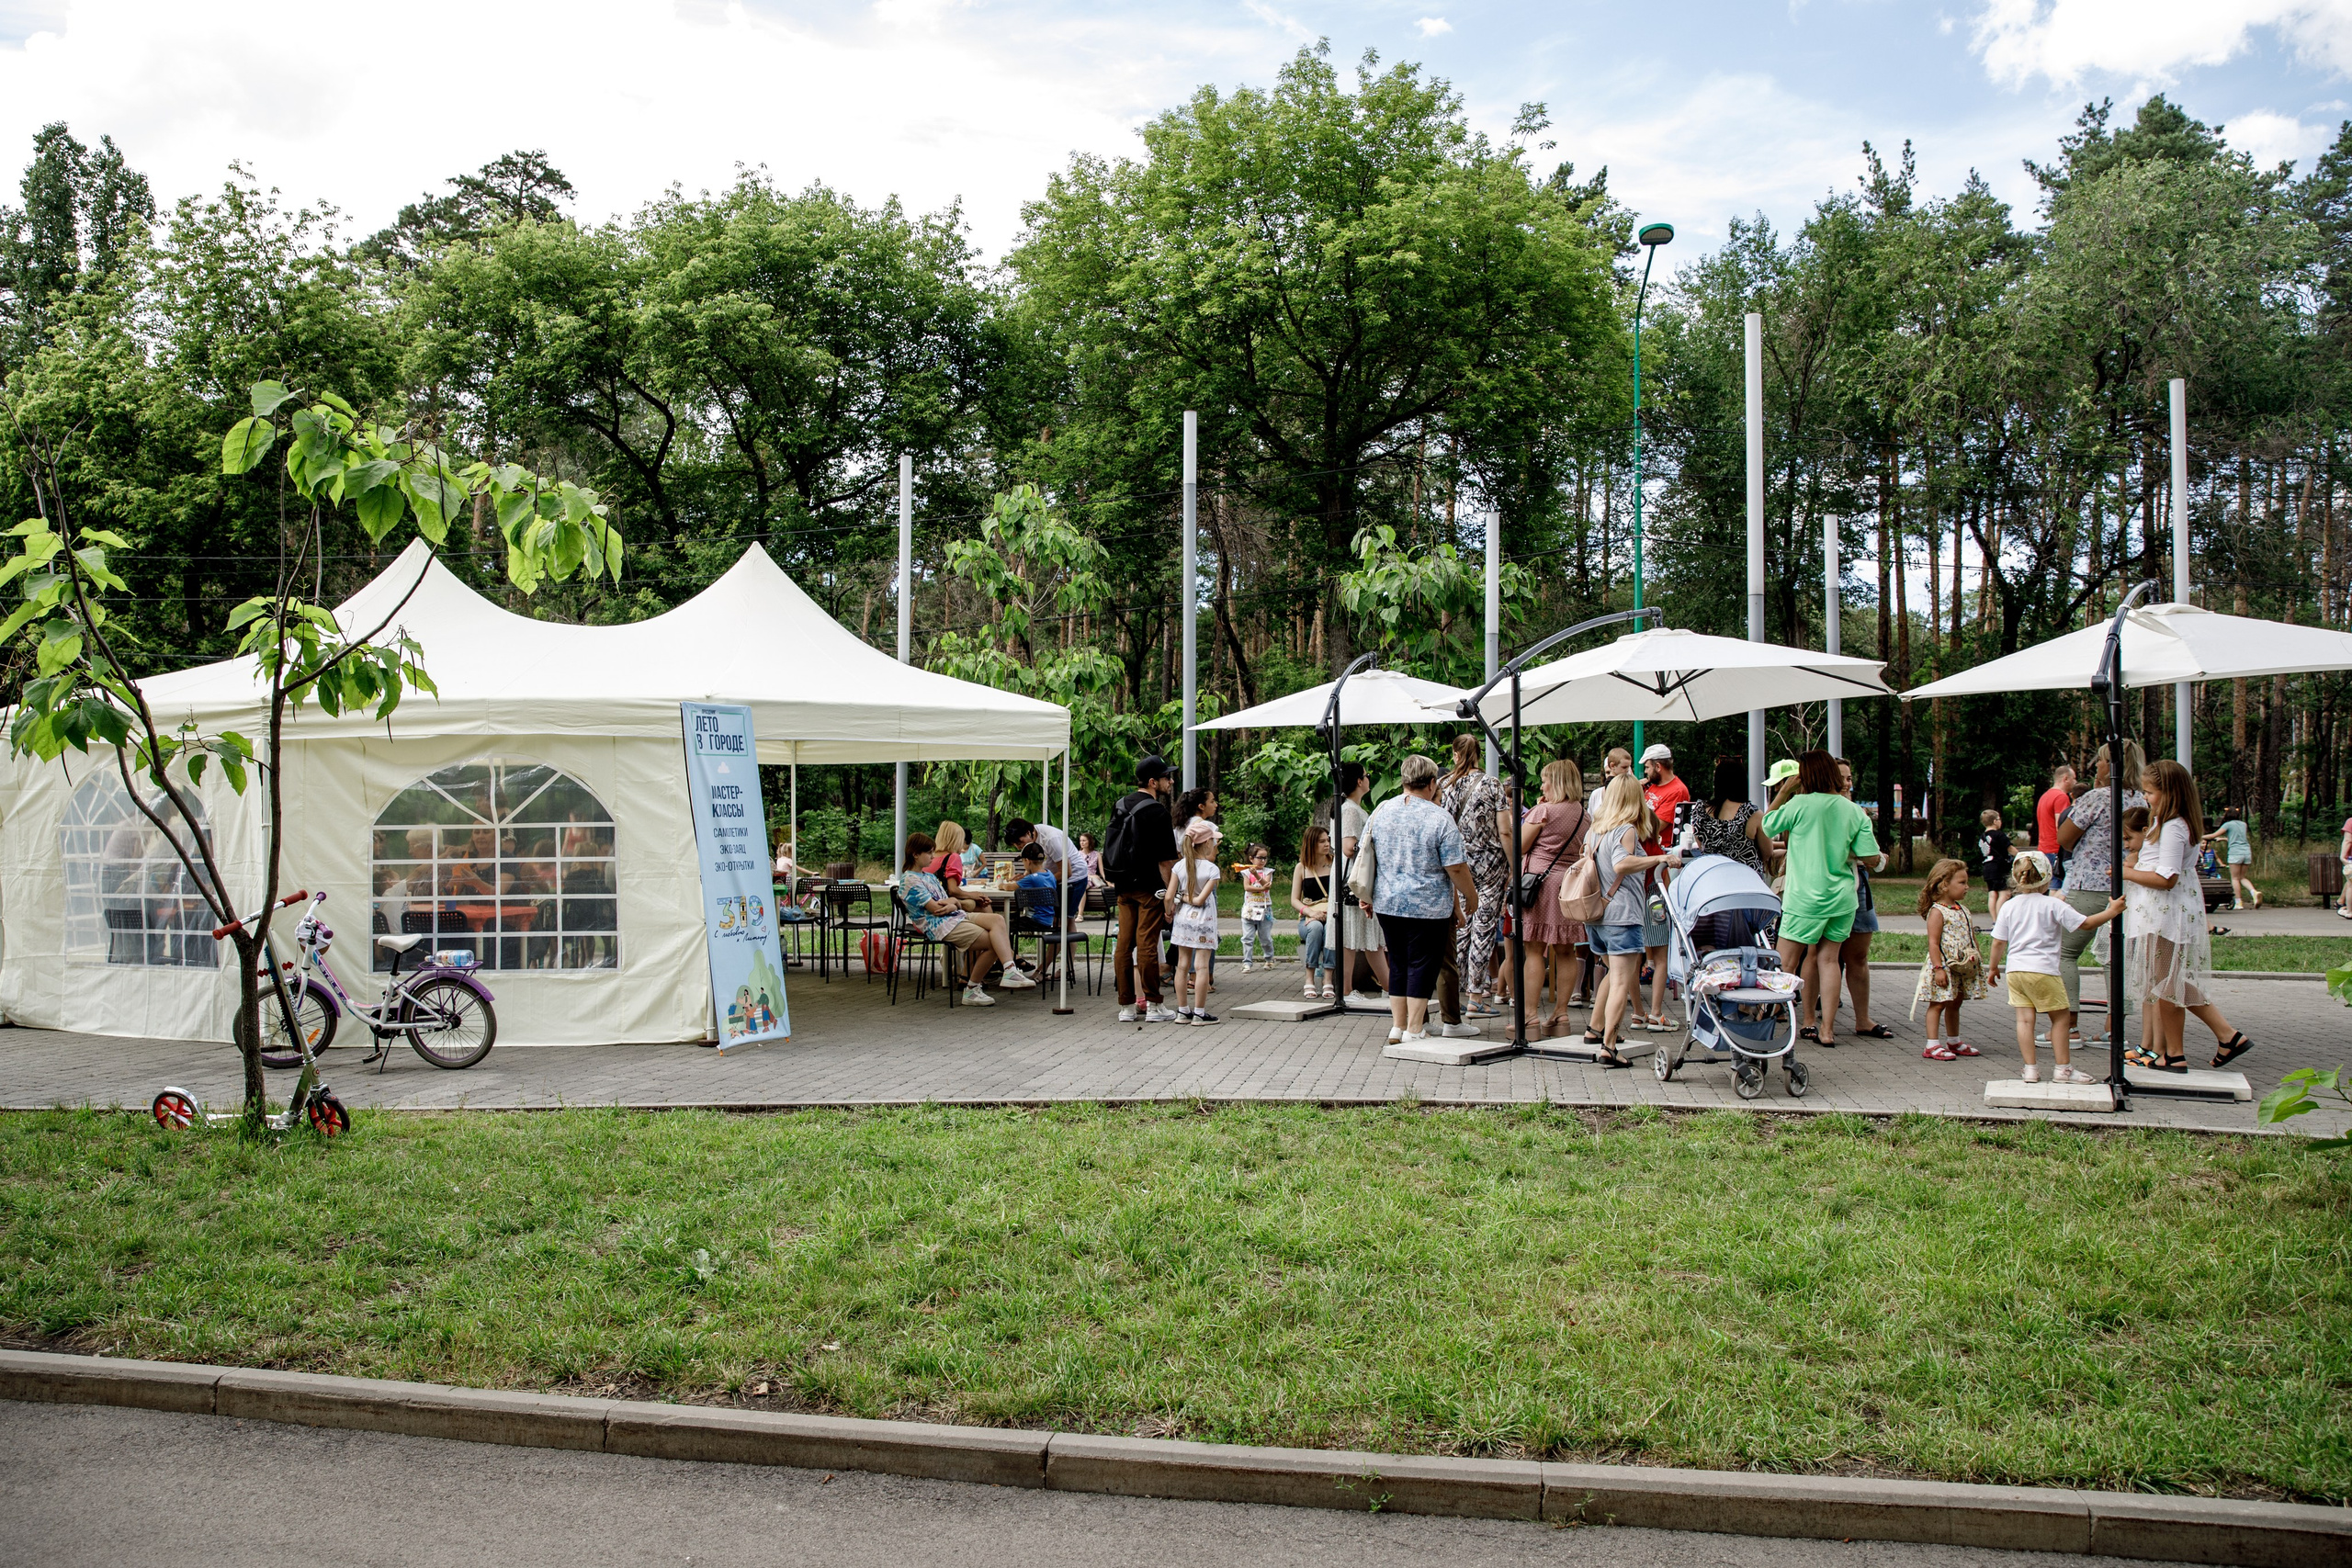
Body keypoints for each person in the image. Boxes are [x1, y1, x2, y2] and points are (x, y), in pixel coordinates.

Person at [2123, 761, 2254, 1073]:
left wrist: (2128, 872)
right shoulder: (2166, 824)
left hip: (2165, 914)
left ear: (2170, 793)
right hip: (2159, 912)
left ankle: (2194, 1046)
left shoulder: (2174, 827)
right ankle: (2196, 1045)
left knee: (2167, 984)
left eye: (2150, 792)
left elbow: (2167, 878)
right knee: (2165, 982)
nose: (2146, 798)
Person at [1761, 750, 1879, 1052]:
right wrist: (1881, 861)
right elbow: (1869, 856)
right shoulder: (1853, 810)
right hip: (1842, 899)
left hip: (1804, 899)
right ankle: (1827, 1030)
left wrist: (1785, 790)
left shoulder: (1800, 804)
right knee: (1829, 961)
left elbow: (1767, 826)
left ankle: (1769, 1020)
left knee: (1785, 961)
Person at [1360, 753, 1478, 1048]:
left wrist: (1367, 894)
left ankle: (1397, 1028)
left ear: (1404, 779)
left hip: (1387, 903)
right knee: (1423, 966)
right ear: (1432, 782)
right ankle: (1415, 1027)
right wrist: (1470, 895)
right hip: (1428, 907)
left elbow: (1365, 852)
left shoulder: (1381, 810)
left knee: (1398, 964)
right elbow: (1455, 866)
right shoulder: (1439, 817)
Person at [1989, 851, 2122, 1084]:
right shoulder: (2053, 904)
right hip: (2044, 971)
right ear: (2048, 878)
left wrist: (1992, 968)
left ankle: (2030, 1069)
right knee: (2061, 1019)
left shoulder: (2009, 906)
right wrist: (2111, 911)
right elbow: (2086, 923)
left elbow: (1999, 941)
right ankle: (2063, 1069)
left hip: (2016, 971)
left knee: (2024, 1021)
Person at [1582, 773, 1679, 1064]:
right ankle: (1609, 1047)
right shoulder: (1625, 830)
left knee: (1613, 974)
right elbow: (1622, 863)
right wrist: (1659, 859)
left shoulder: (1594, 830)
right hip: (1622, 915)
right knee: (1623, 980)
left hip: (1597, 915)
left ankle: (1595, 1029)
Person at [2055, 740, 2145, 1046]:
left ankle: (2069, 1027)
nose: (2096, 766)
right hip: (2127, 887)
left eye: (2101, 761)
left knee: (2064, 951)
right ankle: (2113, 1031)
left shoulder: (2096, 798)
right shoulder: (2143, 801)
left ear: (2114, 764)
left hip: (2089, 885)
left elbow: (2065, 839)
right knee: (2115, 958)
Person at [1811, 757, 1894, 1042]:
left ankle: (1862, 1018)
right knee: (1821, 955)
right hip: (1823, 888)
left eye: (1849, 778)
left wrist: (1875, 859)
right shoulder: (1815, 808)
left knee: (1857, 955)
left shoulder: (1857, 812)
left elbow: (1869, 854)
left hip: (1857, 884)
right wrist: (1875, 859)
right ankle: (1814, 1019)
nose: (1847, 783)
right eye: (1842, 777)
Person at [899, 832, 1031, 1005]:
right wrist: (954, 902)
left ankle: (1010, 970)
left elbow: (948, 902)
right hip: (940, 924)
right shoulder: (909, 879)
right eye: (929, 853)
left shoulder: (928, 877)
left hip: (955, 917)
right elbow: (937, 909)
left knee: (997, 920)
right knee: (994, 942)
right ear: (915, 854)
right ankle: (972, 989)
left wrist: (954, 903)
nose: (933, 856)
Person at [1515, 758, 1589, 1039]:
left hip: (1539, 886)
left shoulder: (1543, 810)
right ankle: (1561, 1015)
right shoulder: (1583, 813)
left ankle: (1530, 1018)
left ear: (1556, 782)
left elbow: (1519, 846)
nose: (1542, 784)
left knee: (1534, 950)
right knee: (1566, 950)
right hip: (1568, 886)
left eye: (1546, 779)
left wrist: (1535, 811)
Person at [1103, 755, 1180, 1023]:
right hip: (1149, 889)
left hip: (1123, 886)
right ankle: (1154, 1005)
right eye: (1166, 777)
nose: (1170, 781)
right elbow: (1166, 862)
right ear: (1152, 781)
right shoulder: (1158, 812)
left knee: (1124, 945)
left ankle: (1126, 1007)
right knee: (1147, 946)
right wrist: (1171, 897)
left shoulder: (1120, 804)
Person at [1439, 734, 1511, 1014]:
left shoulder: (1444, 785)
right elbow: (1504, 830)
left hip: (1458, 864)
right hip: (1490, 864)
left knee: (1462, 925)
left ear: (1456, 755)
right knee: (1484, 927)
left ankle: (1454, 994)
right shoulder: (1492, 785)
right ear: (1479, 754)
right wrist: (1512, 864)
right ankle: (1476, 996)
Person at [1635, 742, 1690, 1033]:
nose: (1644, 773)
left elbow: (1655, 827)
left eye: (1646, 767)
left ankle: (1654, 1012)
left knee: (1659, 950)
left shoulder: (1677, 791)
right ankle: (1642, 1012)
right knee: (1639, 951)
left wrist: (1636, 803)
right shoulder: (1650, 789)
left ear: (1658, 766)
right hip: (1641, 874)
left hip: (1657, 873)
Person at [1912, 857, 1986, 1060]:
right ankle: (1932, 1044)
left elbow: (1971, 936)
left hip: (1961, 967)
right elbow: (1933, 943)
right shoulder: (1938, 911)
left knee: (1956, 1001)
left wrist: (1977, 958)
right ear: (1944, 885)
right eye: (1962, 883)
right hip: (1944, 966)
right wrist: (1938, 968)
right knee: (1938, 1003)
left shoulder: (1962, 909)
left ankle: (1954, 1040)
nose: (1967, 887)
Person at [1329, 761, 1390, 997]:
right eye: (1367, 775)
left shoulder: (1349, 807)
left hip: (1352, 877)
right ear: (1358, 781)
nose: (1369, 778)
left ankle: (1388, 987)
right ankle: (1346, 990)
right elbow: (1348, 847)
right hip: (1353, 879)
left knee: (1366, 934)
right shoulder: (1350, 810)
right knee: (1353, 934)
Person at [1166, 818, 1222, 1024]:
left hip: (1182, 921)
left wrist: (1170, 911)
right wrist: (1190, 897)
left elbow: (1168, 896)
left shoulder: (1179, 866)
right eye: (1213, 841)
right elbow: (1200, 900)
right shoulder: (1211, 869)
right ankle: (1199, 1013)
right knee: (1201, 967)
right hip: (1204, 923)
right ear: (1206, 843)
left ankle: (1182, 1011)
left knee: (1181, 965)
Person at [1005, 817, 1086, 924]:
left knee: (1061, 920)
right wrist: (1025, 877)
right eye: (1015, 845)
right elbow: (1034, 866)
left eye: (1020, 843)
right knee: (1065, 920)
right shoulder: (1032, 840)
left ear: (1029, 833)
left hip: (1074, 878)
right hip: (1059, 875)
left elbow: (1066, 872)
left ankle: (1055, 941)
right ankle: (1068, 941)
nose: (1019, 847)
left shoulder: (1051, 839)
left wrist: (1038, 881)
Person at [1291, 823, 1338, 998]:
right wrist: (1310, 913)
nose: (1327, 845)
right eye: (1321, 841)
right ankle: (1309, 978)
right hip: (1309, 919)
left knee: (1331, 928)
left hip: (1332, 915)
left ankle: (1327, 979)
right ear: (1311, 844)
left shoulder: (1334, 864)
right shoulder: (1301, 867)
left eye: (1328, 840)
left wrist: (1328, 913)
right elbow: (1294, 899)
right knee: (1316, 928)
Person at [2203, 807, 2260, 910]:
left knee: (2235, 878)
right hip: (2246, 851)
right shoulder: (2243, 824)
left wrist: (2202, 837)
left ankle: (2238, 902)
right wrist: (2224, 839)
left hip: (2235, 852)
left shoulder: (2227, 824)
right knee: (2242, 877)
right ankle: (2254, 892)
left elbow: (2213, 835)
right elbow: (2237, 837)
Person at [2036, 764, 2076, 888]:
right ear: (2065, 779)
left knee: (2049, 887)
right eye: (2074, 778)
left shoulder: (2045, 796)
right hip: (2056, 850)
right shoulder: (2061, 797)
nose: (2076, 782)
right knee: (2058, 889)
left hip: (2044, 848)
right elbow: (2062, 826)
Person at [1238, 843, 1275, 970]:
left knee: (1265, 938)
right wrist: (1260, 888)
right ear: (1251, 858)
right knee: (1247, 938)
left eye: (1265, 858)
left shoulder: (1268, 871)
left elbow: (1267, 885)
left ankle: (1269, 958)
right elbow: (1247, 887)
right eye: (1260, 858)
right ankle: (1247, 962)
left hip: (1265, 909)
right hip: (1249, 908)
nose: (1263, 861)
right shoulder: (1246, 872)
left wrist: (1258, 876)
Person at [1979, 808, 2013, 919]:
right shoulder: (1999, 835)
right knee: (2005, 893)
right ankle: (2000, 920)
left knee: (1992, 894)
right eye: (1999, 819)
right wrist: (2022, 856)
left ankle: (1994, 920)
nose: (2000, 821)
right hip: (1999, 867)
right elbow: (2010, 849)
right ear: (1994, 821)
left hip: (1987, 866)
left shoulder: (1983, 837)